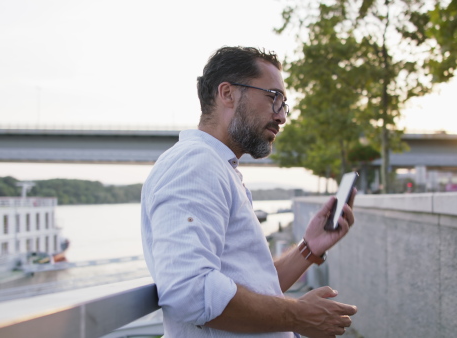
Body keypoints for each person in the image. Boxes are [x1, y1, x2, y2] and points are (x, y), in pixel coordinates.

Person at [141, 46, 358, 337]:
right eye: (273, 98)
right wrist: (298, 315)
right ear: (227, 93)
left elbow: (256, 286)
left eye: (283, 104)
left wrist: (309, 248)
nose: (281, 117)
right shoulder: (195, 165)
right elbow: (189, 292)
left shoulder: (217, 167)